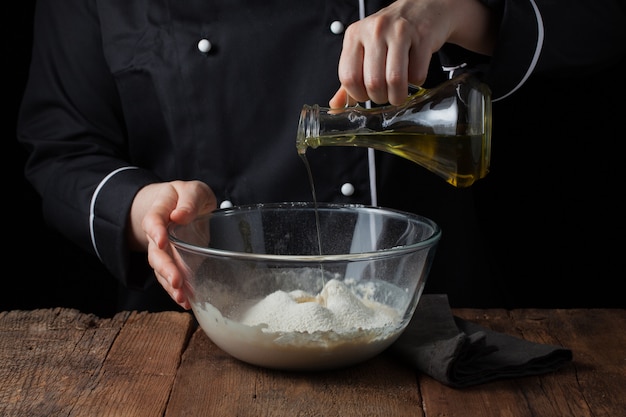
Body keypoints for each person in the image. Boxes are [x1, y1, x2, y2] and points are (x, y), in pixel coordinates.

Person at [17, 0, 626, 313]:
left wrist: (457, 8)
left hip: (433, 322)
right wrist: (141, 206)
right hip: (196, 331)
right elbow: (61, 145)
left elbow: (602, 21)